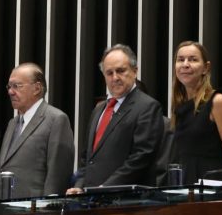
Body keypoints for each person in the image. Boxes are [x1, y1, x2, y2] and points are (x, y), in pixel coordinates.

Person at [69, 45, 164, 191]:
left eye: (120, 71)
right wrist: (80, 186)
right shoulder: (98, 110)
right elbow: (87, 158)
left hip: (126, 202)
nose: (115, 78)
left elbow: (141, 157)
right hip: (91, 199)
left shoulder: (148, 107)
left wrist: (105, 188)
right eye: (109, 73)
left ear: (135, 71)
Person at [0, 63, 75, 198]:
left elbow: (58, 174)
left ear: (37, 88)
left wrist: (48, 210)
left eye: (16, 86)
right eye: (9, 86)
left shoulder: (56, 119)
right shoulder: (12, 123)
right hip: (2, 210)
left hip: (34, 212)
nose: (10, 92)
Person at [169, 41, 222, 182]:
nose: (185, 64)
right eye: (180, 60)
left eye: (193, 59)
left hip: (213, 184)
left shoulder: (218, 101)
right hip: (186, 183)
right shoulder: (180, 106)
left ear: (205, 68)